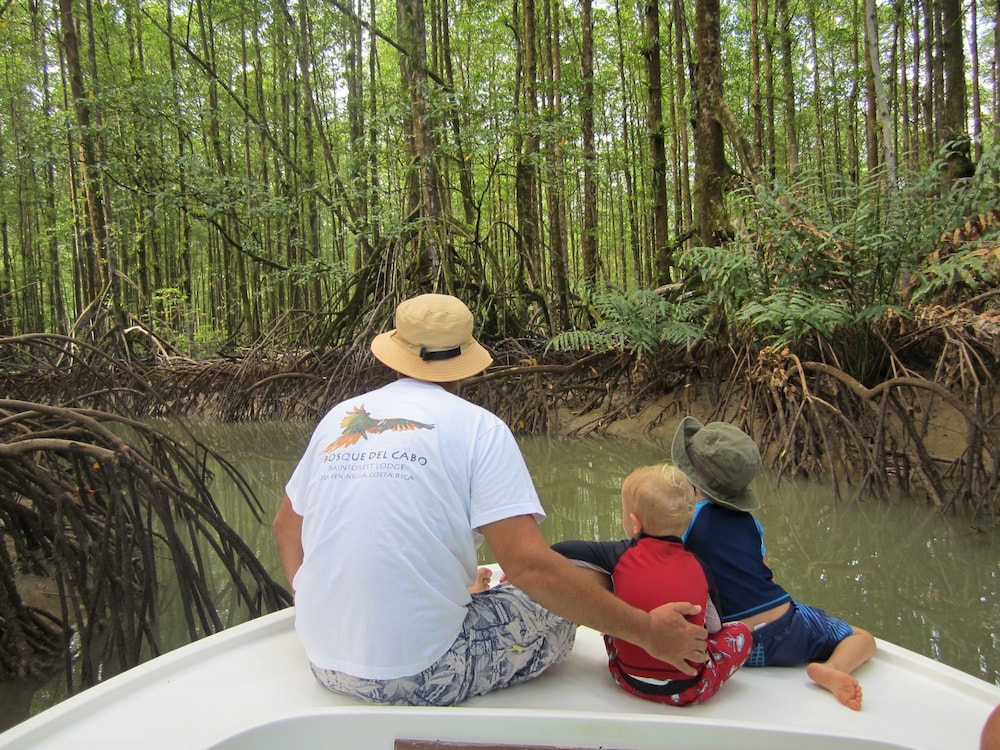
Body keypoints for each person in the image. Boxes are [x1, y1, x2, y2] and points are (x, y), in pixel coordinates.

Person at [272, 293, 708, 706]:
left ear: (395, 353)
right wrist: (649, 631)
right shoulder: (480, 428)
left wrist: (310, 601)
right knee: (573, 586)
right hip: (423, 673)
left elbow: (286, 527)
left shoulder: (340, 418)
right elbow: (530, 568)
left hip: (322, 661)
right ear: (464, 363)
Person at [672, 416, 877, 711]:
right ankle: (834, 668)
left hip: (731, 642)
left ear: (689, 476)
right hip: (784, 630)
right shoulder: (751, 523)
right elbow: (766, 573)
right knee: (862, 638)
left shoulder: (685, 519)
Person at [552, 464, 752, 706]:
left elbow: (567, 550)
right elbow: (713, 625)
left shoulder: (618, 554)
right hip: (687, 687)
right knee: (740, 632)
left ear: (635, 523)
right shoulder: (700, 567)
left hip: (625, 676)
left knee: (614, 611)